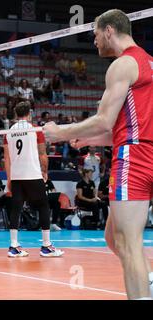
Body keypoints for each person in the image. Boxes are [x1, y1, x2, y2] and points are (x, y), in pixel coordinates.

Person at [43, 9, 153, 299]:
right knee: (113, 238)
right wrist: (88, 137)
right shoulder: (149, 63)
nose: (93, 42)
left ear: (108, 31)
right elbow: (131, 127)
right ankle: (148, 276)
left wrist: (60, 133)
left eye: (94, 35)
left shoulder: (122, 64)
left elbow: (105, 120)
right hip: (144, 149)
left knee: (128, 244)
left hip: (135, 160)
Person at [4, 101, 64, 258]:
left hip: (17, 176)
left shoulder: (9, 131)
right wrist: (45, 171)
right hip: (32, 173)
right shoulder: (35, 129)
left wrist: (9, 178)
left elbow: (6, 158)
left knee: (16, 208)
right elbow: (42, 153)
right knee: (43, 205)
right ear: (29, 113)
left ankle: (13, 246)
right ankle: (46, 246)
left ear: (17, 114)